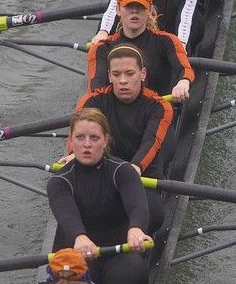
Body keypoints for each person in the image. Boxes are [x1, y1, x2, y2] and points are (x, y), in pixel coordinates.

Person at [47, 108, 152, 284]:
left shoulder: (122, 171)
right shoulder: (59, 182)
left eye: (94, 138)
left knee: (126, 276)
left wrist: (136, 228)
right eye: (80, 137)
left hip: (121, 251)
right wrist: (79, 236)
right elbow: (66, 214)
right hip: (81, 252)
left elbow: (138, 206)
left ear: (105, 141)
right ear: (70, 141)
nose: (87, 144)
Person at [64, 44, 174, 232]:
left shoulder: (158, 105)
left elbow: (151, 141)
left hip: (141, 174)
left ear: (143, 74)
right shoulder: (92, 101)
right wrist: (74, 153)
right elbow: (79, 136)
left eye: (130, 74)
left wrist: (133, 168)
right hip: (102, 172)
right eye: (116, 74)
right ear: (109, 76)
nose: (123, 80)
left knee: (154, 215)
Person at [87, 0, 195, 101]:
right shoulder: (103, 48)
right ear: (118, 9)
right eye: (128, 6)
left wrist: (183, 82)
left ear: (149, 10)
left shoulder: (167, 41)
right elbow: (95, 90)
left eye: (140, 6)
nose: (134, 11)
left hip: (158, 108)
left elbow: (185, 70)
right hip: (116, 112)